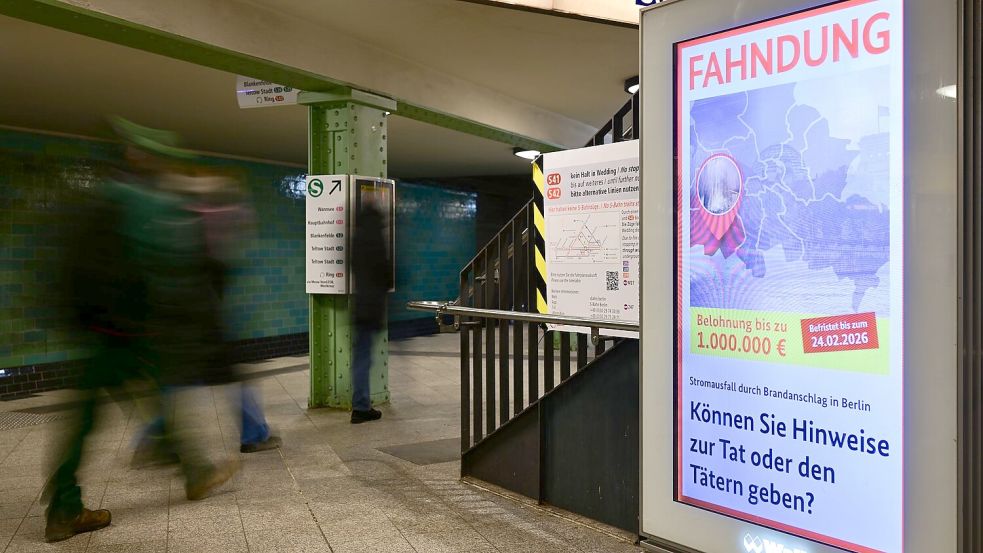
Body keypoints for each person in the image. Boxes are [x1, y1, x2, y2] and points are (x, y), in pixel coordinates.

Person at [43, 117, 238, 543]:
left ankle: (191, 469)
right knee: (96, 414)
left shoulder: (110, 196)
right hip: (120, 330)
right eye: (162, 160)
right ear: (140, 156)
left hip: (105, 328)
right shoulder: (134, 200)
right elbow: (159, 268)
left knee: (133, 401)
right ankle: (64, 506)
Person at [350, 197, 392, 424]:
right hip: (372, 306)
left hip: (359, 306)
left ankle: (361, 404)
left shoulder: (357, 238)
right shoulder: (376, 239)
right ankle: (361, 407)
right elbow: (384, 273)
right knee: (364, 359)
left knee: (361, 357)